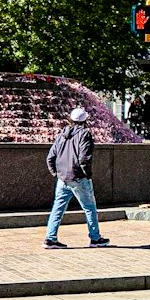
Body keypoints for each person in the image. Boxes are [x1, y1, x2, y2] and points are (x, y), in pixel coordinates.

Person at [44, 106, 110, 249]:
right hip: (78, 177)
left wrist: (56, 173)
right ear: (85, 120)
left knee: (57, 208)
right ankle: (95, 238)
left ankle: (50, 239)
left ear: (71, 120)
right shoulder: (85, 134)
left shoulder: (62, 134)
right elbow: (84, 158)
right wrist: (87, 175)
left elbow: (50, 157)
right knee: (89, 208)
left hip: (62, 178)